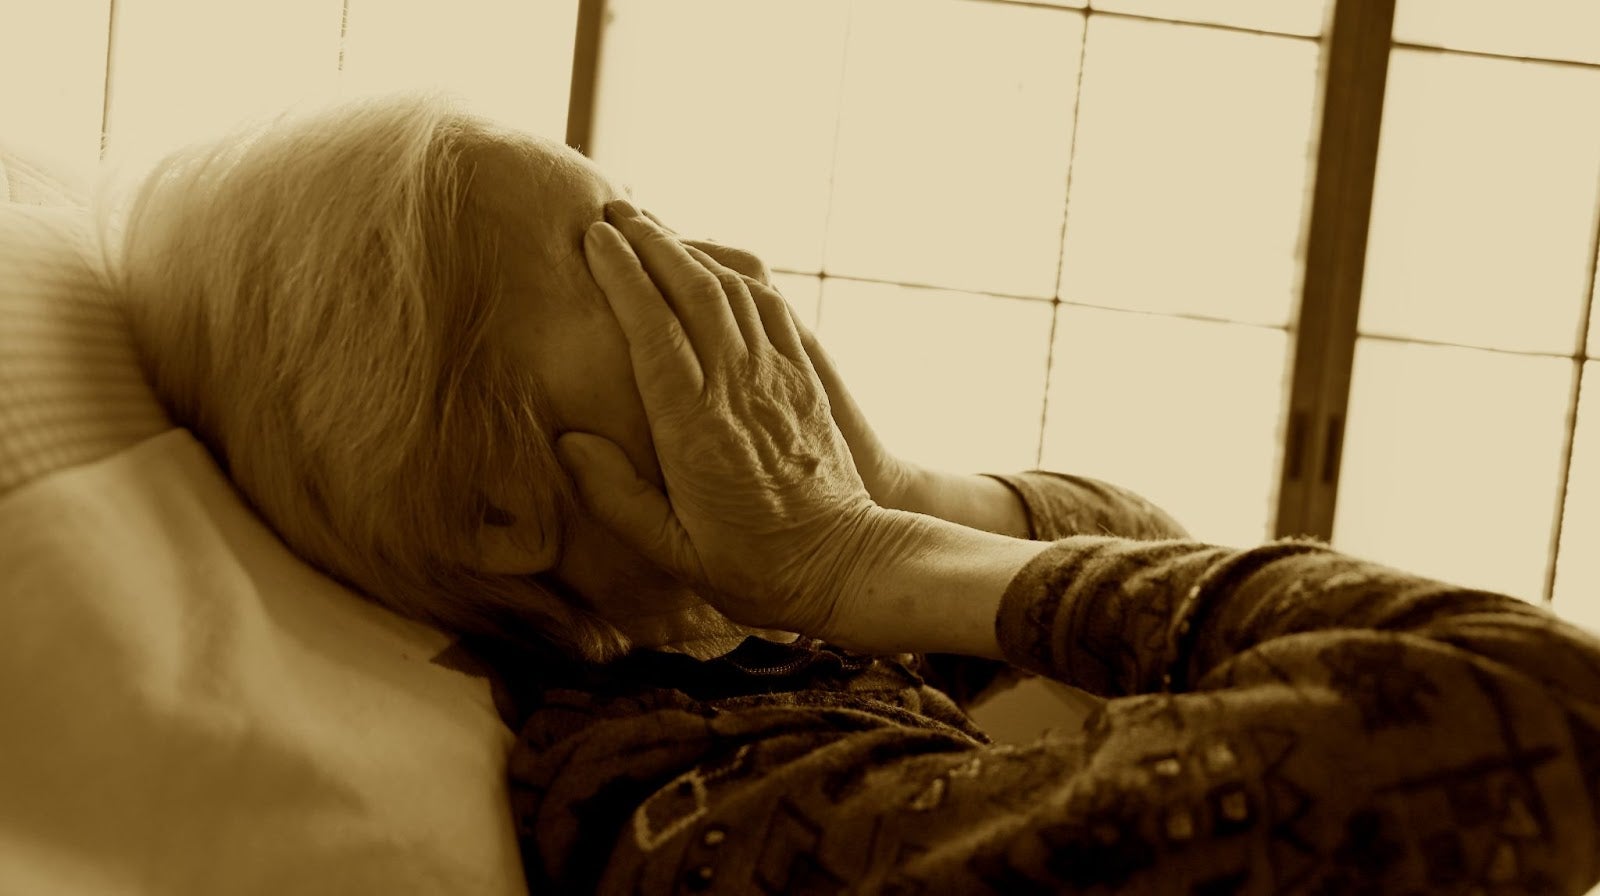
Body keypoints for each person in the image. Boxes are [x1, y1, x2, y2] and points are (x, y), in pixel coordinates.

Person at [110, 95, 1600, 894]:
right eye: (625, 257)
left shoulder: (744, 650)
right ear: (497, 512)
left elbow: (1144, 541)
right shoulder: (708, 811)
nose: (735, 276)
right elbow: (1540, 708)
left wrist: (899, 499)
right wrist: (857, 556)